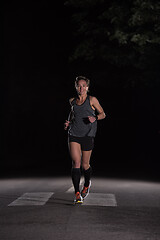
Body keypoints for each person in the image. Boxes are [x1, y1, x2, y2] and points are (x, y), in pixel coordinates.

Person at [64, 76, 106, 204]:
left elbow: (103, 114)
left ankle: (87, 184)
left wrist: (95, 118)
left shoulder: (92, 100)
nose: (81, 88)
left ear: (87, 87)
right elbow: (72, 115)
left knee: (84, 165)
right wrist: (68, 123)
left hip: (88, 135)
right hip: (74, 134)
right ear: (76, 87)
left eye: (83, 86)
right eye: (79, 86)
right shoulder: (72, 101)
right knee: (76, 163)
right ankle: (77, 193)